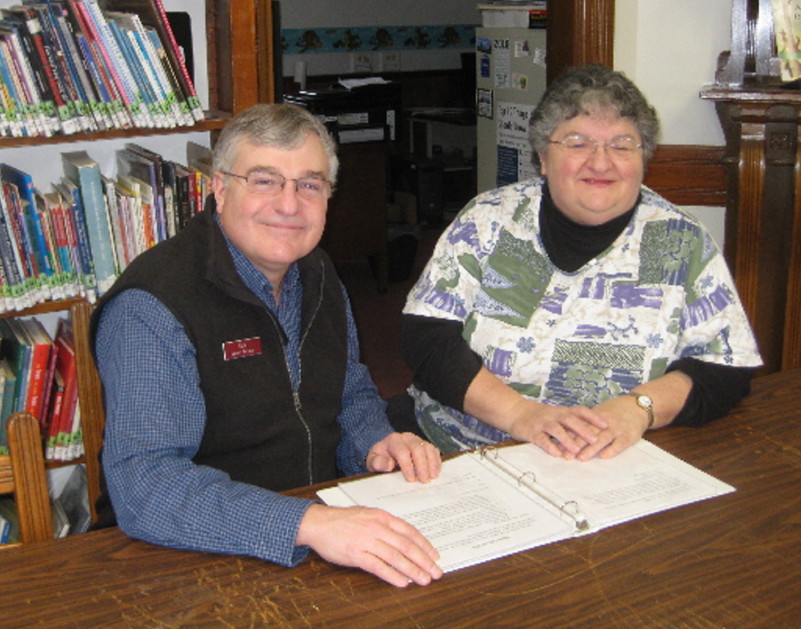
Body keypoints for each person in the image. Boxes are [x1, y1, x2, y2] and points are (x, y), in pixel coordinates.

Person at [91, 103, 443, 588]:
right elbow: (145, 484)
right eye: (264, 180)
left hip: (314, 533)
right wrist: (308, 524)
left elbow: (350, 392)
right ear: (219, 188)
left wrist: (376, 444)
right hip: (182, 556)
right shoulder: (154, 305)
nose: (289, 204)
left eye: (310, 184)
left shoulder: (319, 273)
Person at [400, 64, 762, 461]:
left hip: (614, 463)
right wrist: (523, 415)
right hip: (465, 454)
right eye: (577, 143)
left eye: (622, 145)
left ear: (644, 158)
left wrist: (638, 408)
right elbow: (428, 338)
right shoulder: (488, 221)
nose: (601, 162)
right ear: (542, 157)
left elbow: (726, 367)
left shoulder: (680, 241)